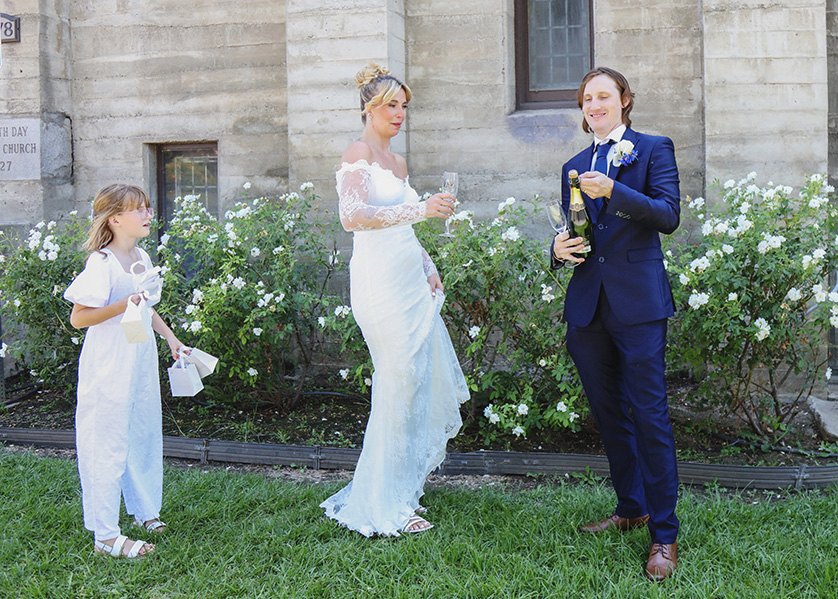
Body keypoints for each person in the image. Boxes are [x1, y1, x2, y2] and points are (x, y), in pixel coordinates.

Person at [320, 63, 469, 536]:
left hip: (409, 281)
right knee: (396, 382)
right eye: (391, 105)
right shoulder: (357, 153)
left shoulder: (399, 164)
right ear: (369, 108)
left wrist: (428, 266)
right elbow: (353, 216)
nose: (400, 113)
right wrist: (421, 208)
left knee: (414, 384)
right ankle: (382, 505)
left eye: (404, 105)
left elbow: (402, 225)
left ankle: (402, 491)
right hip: (379, 285)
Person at [550, 67, 681, 581]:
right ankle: (631, 506)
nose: (595, 105)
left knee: (649, 413)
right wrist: (557, 252)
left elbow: (668, 215)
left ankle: (664, 535)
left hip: (639, 306)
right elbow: (572, 232)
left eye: (604, 96)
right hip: (588, 309)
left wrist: (615, 193)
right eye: (587, 98)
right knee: (609, 414)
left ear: (625, 100)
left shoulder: (652, 149)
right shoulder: (573, 164)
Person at [64, 184, 186, 558]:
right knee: (108, 441)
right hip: (109, 364)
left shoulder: (142, 257)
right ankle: (105, 535)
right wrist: (122, 305)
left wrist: (170, 338)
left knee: (142, 431)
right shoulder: (100, 264)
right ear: (115, 218)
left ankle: (144, 509)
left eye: (148, 208)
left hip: (139, 358)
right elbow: (78, 318)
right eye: (140, 210)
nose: (148, 214)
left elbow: (144, 308)